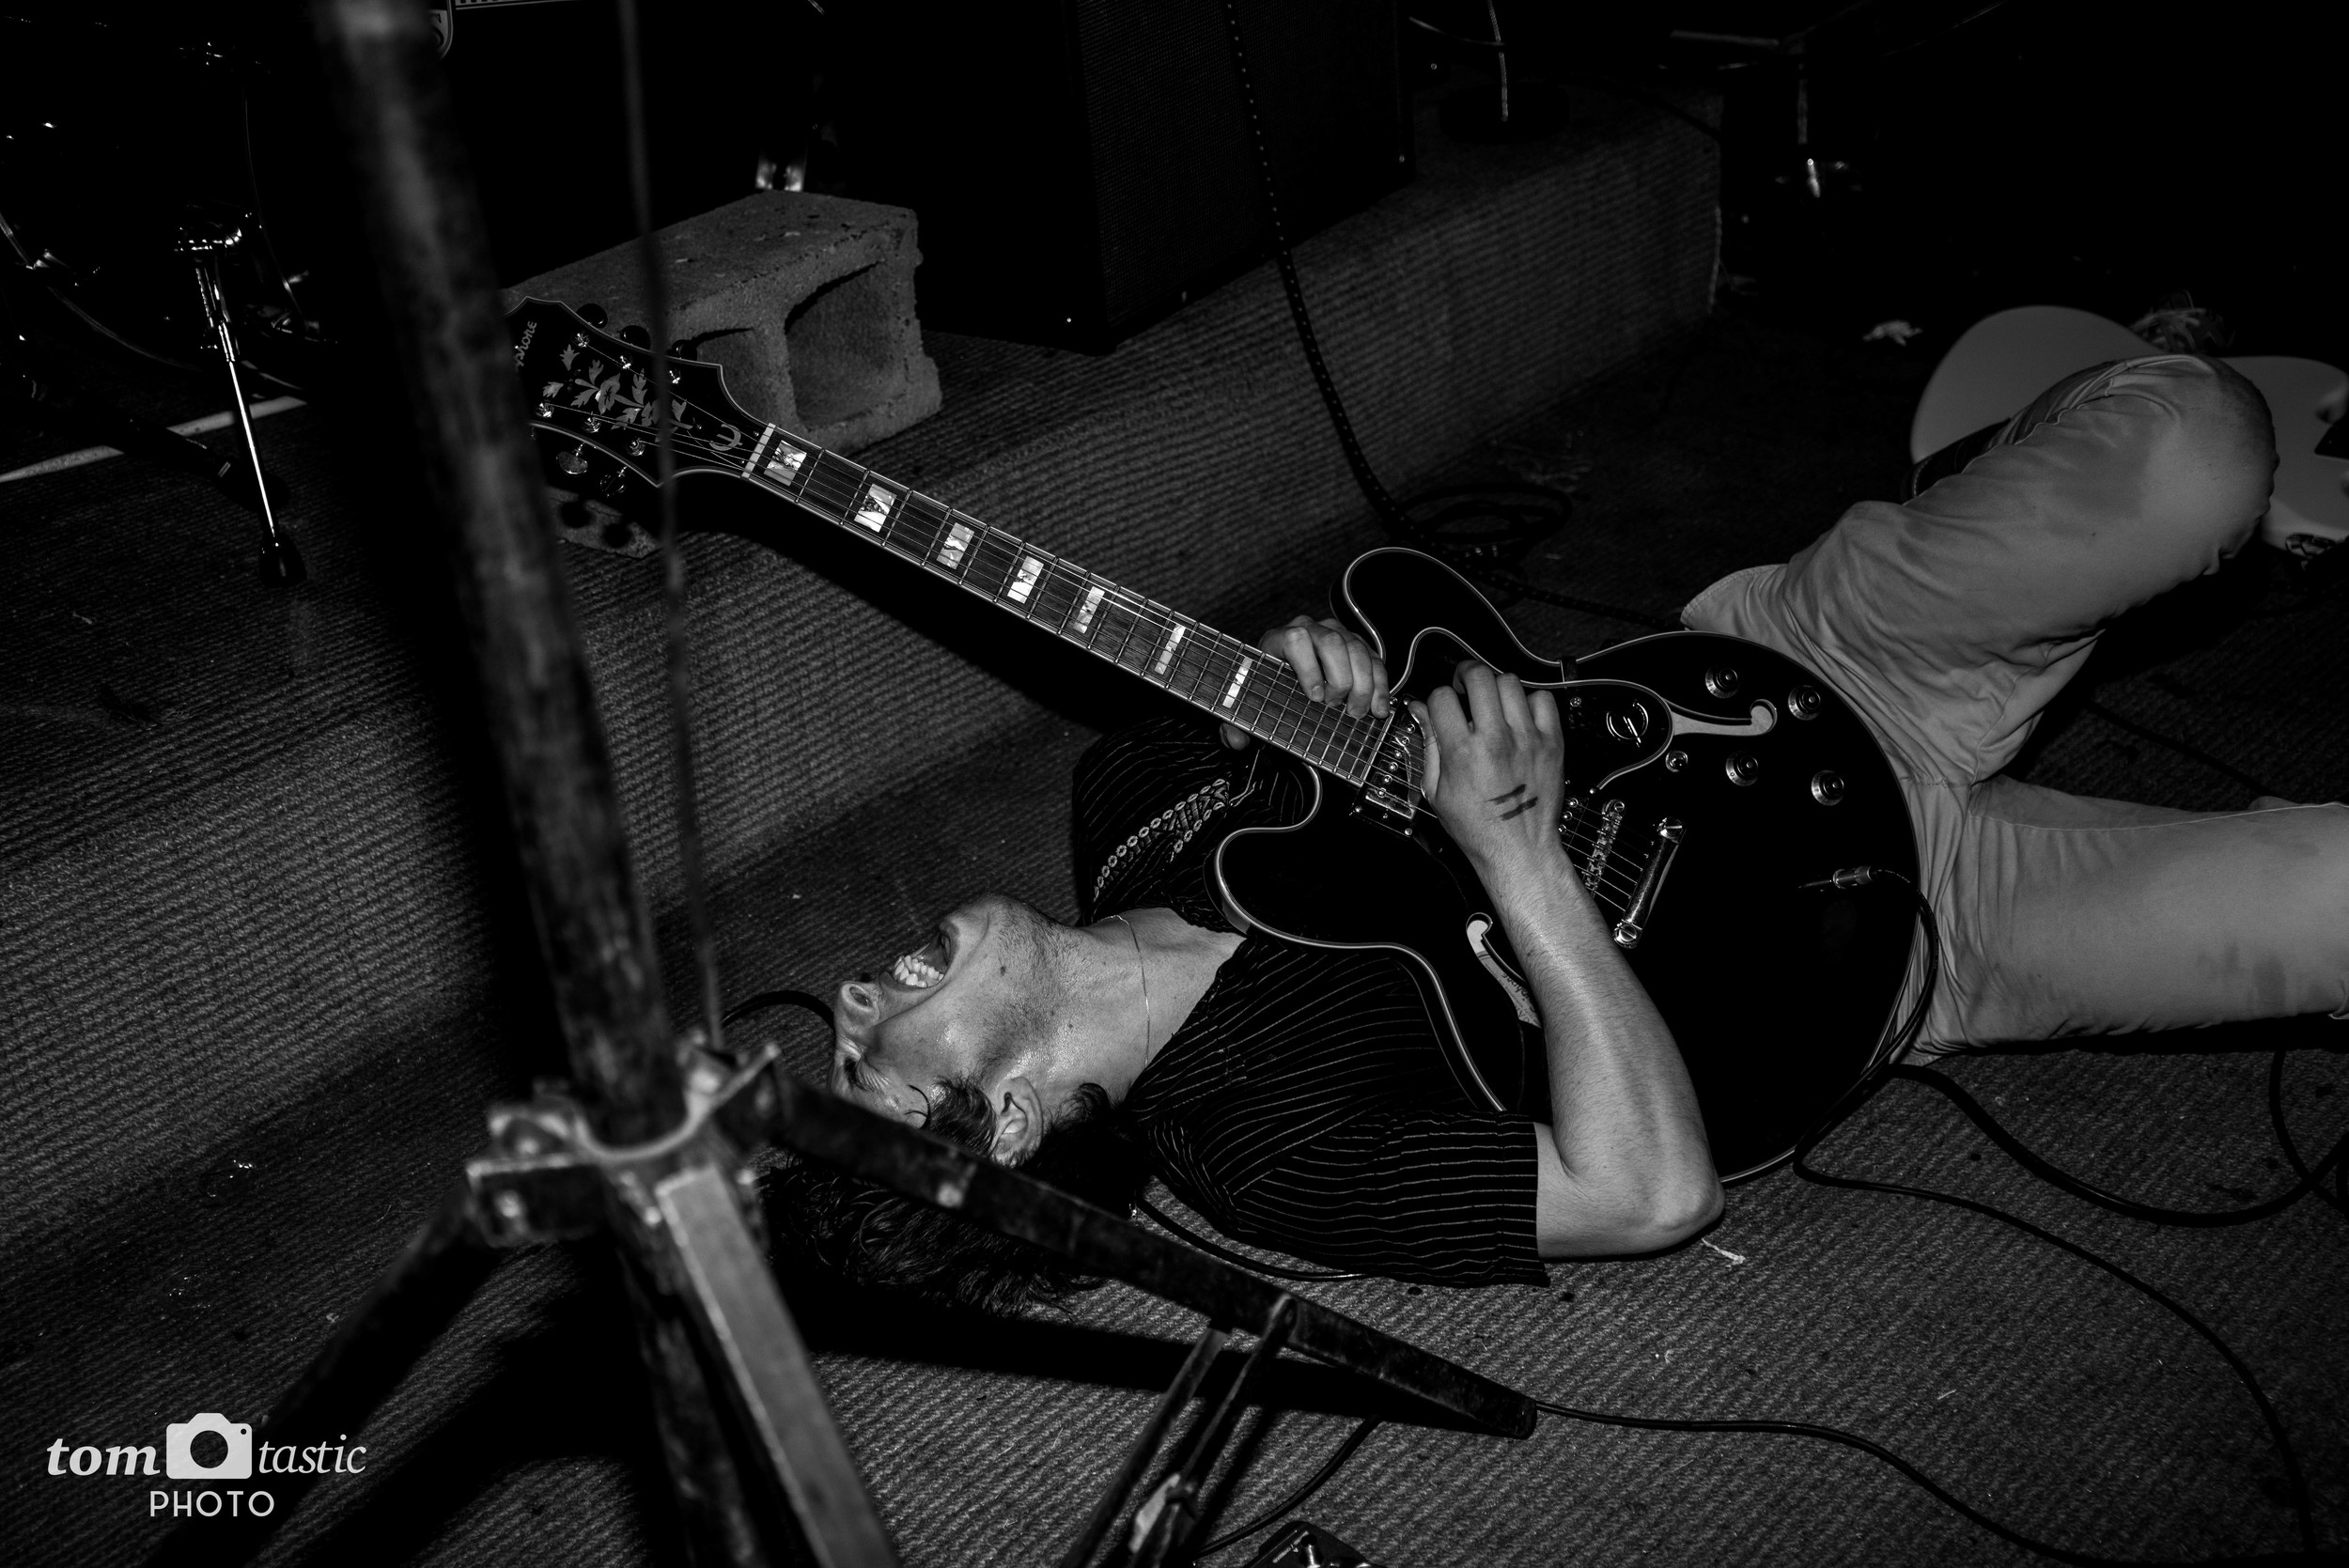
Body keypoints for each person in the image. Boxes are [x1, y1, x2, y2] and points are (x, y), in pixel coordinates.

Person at [772, 351, 2349, 1313]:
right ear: (1006, 1123)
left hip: (1782, 680)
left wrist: (1326, 657)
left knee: (2202, 441)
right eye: (864, 1063)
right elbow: (1653, 1191)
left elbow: (1410, 644)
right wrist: (1520, 856)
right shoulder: (1266, 1154)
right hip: (1896, 950)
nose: (845, 998)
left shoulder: (1132, 790)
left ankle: (1998, 462)